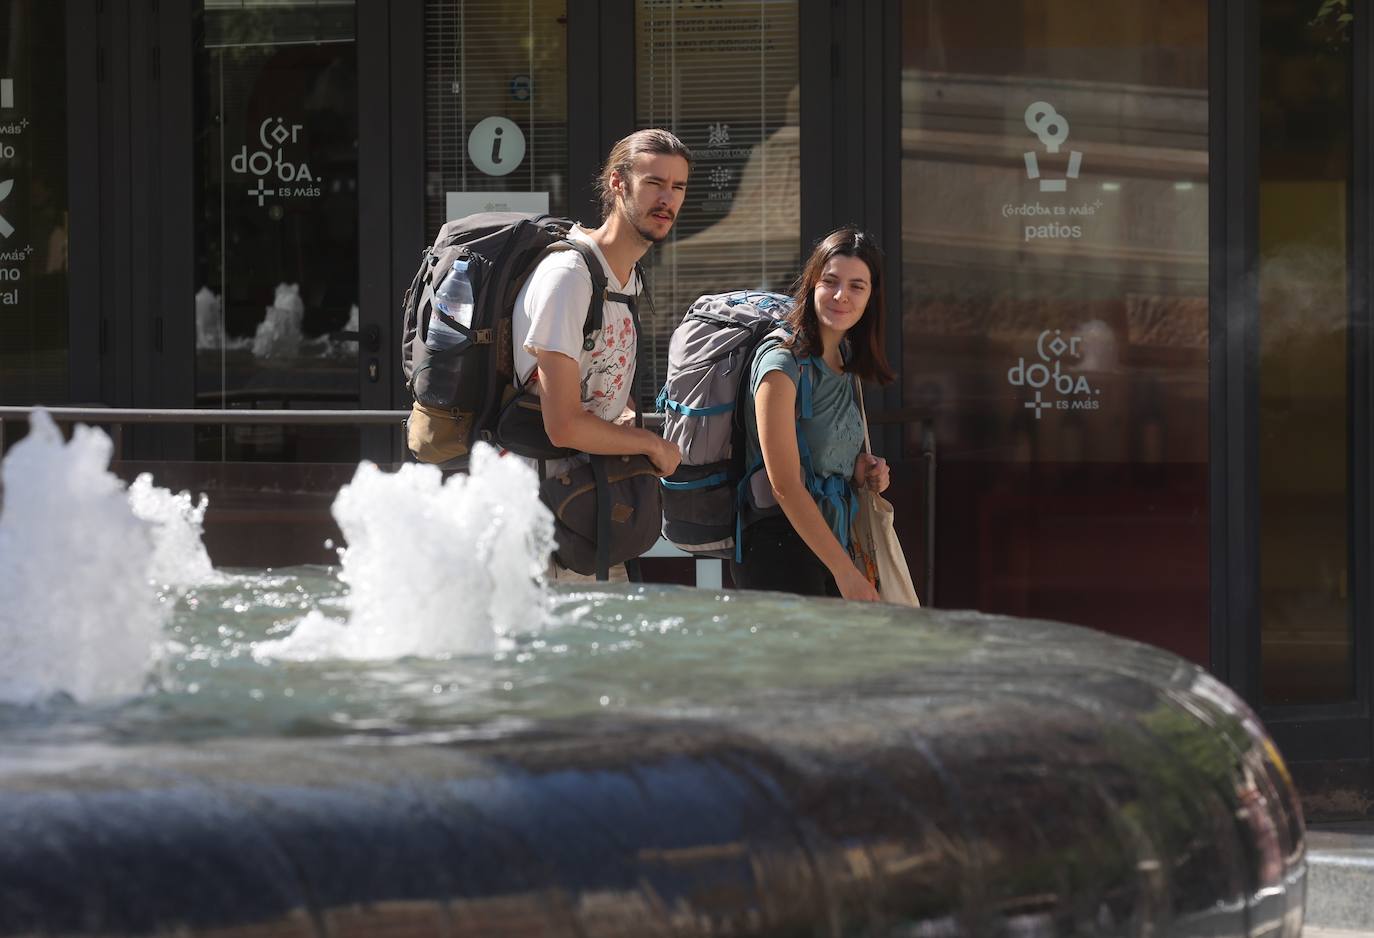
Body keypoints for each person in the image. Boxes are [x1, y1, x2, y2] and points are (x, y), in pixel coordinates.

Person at [511, 128, 691, 582]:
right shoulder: (569, 277)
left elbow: (602, 382)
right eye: (654, 183)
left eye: (678, 187)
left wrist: (624, 416)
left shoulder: (626, 278)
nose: (667, 199)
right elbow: (564, 424)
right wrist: (651, 444)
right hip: (541, 516)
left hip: (592, 506)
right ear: (617, 183)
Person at [730, 227, 896, 601]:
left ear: (871, 297)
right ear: (812, 283)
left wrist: (861, 470)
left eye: (857, 286)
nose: (842, 296)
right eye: (831, 281)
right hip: (780, 551)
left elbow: (821, 454)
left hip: (833, 546)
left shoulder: (844, 360)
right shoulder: (780, 363)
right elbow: (784, 484)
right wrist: (845, 573)